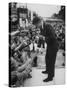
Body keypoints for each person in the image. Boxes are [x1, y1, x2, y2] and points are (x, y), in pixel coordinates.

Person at [32, 18, 58, 82]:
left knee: (51, 61)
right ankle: (47, 70)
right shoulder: (41, 27)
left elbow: (52, 37)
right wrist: (38, 47)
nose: (36, 26)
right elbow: (41, 37)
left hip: (54, 45)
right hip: (49, 45)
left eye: (36, 25)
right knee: (47, 58)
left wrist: (43, 38)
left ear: (39, 22)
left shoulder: (48, 26)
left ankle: (50, 77)